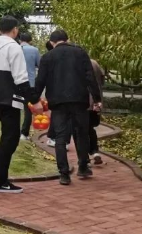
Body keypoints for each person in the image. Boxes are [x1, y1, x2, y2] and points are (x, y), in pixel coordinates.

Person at [34, 30, 103, 186]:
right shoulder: (80, 53)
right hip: (79, 100)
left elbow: (40, 81)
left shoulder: (48, 57)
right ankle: (83, 166)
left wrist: (35, 99)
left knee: (60, 136)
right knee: (82, 133)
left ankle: (64, 174)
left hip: (57, 101)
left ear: (52, 42)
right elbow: (90, 78)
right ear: (67, 39)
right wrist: (97, 99)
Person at [0, 16, 32, 194]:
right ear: (15, 30)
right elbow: (21, 77)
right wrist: (33, 100)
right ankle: (0, 180)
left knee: (8, 135)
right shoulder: (14, 47)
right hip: (10, 98)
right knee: (11, 137)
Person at [19, 32, 40, 141]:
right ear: (30, 41)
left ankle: (13, 131)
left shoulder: (15, 48)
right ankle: (24, 133)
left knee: (14, 108)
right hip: (29, 83)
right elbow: (39, 64)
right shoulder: (34, 50)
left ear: (20, 40)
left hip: (15, 83)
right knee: (28, 109)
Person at [87, 59, 105, 165]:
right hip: (96, 101)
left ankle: (86, 156)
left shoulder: (76, 62)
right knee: (91, 127)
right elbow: (102, 79)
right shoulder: (94, 62)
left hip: (82, 101)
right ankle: (94, 151)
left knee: (82, 129)